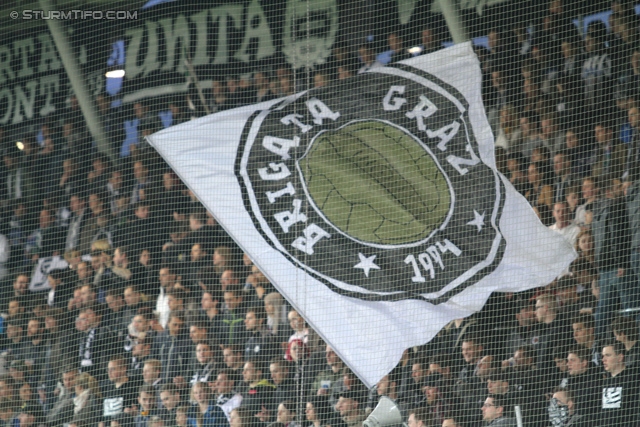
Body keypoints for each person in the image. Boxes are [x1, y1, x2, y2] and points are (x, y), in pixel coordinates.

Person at [599, 342, 639, 426]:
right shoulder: (605, 382)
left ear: (620, 357)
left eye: (608, 355)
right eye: (603, 356)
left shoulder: (633, 379)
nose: (603, 359)